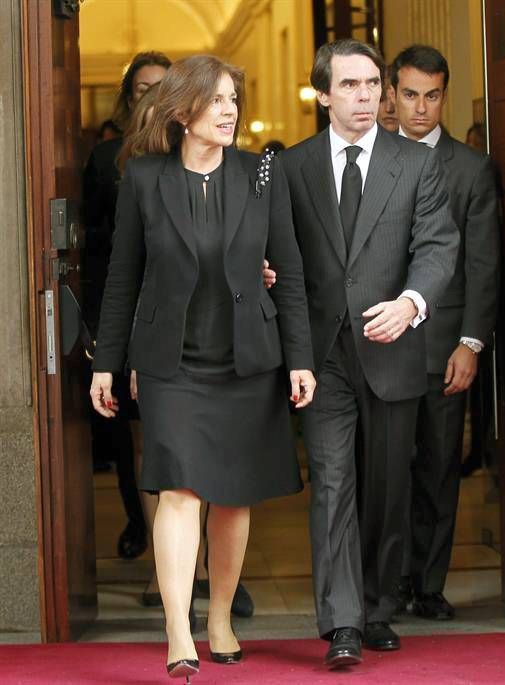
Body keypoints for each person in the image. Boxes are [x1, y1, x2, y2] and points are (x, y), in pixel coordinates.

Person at [89, 54, 315, 681]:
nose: (229, 111)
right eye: (216, 100)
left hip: (246, 361)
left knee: (234, 499)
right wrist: (107, 364)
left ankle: (220, 618)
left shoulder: (261, 174)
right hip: (171, 365)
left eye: (233, 100)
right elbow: (122, 278)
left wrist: (299, 359)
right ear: (182, 111)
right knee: (180, 491)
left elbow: (289, 273)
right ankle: (178, 632)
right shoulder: (144, 179)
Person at [277, 38, 458, 667]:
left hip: (393, 346)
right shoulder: (293, 167)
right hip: (323, 353)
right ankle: (343, 622)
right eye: (350, 85)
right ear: (322, 93)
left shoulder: (416, 163)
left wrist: (412, 302)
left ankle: (379, 605)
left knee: (386, 487)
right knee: (332, 483)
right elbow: (285, 258)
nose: (365, 97)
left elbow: (438, 246)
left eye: (372, 85)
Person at [389, 45, 499, 621]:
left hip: (443, 346)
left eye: (432, 96)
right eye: (410, 94)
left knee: (436, 468)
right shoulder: (368, 159)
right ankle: (387, 583)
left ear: (444, 96)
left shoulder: (471, 169)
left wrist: (471, 342)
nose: (421, 108)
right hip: (379, 344)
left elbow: (483, 265)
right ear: (392, 94)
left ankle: (428, 583)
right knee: (385, 470)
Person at [83, 50, 172, 561]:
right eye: (144, 88)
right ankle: (146, 535)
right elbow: (85, 241)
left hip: (184, 318)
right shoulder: (107, 159)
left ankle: (199, 561)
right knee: (134, 441)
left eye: (165, 86)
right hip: (126, 311)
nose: (155, 96)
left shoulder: (197, 152)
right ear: (129, 95)